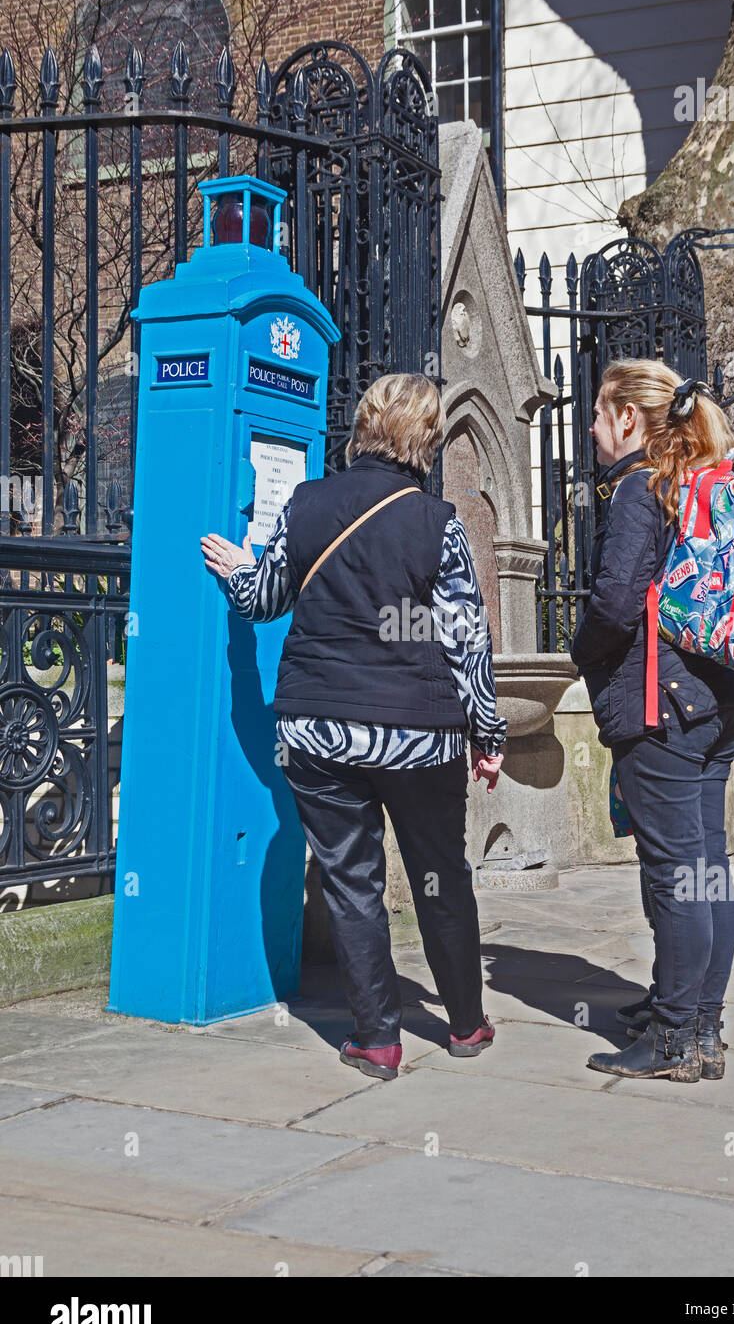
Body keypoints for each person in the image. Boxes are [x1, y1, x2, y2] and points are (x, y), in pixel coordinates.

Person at [200, 372, 506, 1081]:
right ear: (426, 441)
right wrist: (487, 736)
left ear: (363, 426)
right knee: (440, 876)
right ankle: (465, 1024)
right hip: (417, 735)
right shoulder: (438, 523)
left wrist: (236, 567)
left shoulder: (307, 504)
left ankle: (378, 1040)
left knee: (350, 882)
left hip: (316, 730)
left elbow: (263, 600)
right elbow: (467, 641)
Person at [571, 359, 734, 1082]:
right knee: (707, 869)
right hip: (716, 701)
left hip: (661, 711)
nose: (589, 425)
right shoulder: (697, 483)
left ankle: (675, 1037)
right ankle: (701, 1023)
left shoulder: (642, 490)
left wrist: (581, 653)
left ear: (629, 420)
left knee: (677, 875)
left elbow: (616, 604)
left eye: (598, 411)